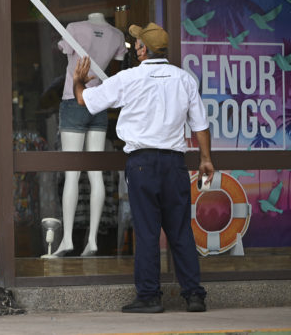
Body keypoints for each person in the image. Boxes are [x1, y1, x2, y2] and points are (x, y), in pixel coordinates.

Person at [72, 22, 214, 313]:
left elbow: (84, 101)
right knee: (180, 232)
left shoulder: (129, 78)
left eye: (136, 43)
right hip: (175, 164)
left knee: (148, 232)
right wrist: (205, 159)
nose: (134, 46)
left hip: (141, 165)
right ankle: (194, 296)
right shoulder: (184, 79)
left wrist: (79, 80)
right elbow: (200, 125)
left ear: (142, 50)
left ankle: (149, 297)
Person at [53, 12, 126, 257]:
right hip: (99, 102)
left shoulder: (74, 26)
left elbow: (65, 52)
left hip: (74, 99)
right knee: (96, 174)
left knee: (71, 174)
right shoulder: (117, 35)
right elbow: (117, 59)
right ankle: (93, 239)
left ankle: (67, 240)